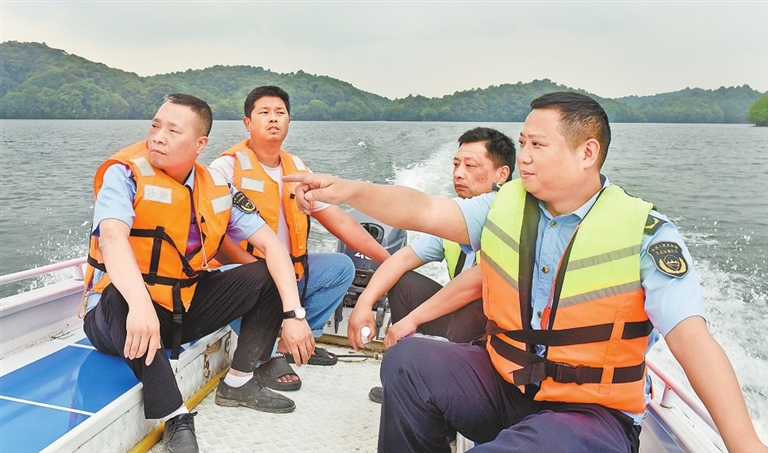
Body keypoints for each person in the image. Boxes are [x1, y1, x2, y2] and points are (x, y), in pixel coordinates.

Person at [284, 92, 768, 453]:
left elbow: (692, 339)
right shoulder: (503, 207)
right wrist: (347, 189)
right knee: (408, 361)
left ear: (587, 153)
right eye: (522, 143)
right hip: (508, 383)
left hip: (591, 413)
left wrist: (745, 445)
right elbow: (426, 210)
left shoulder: (646, 234)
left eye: (538, 144)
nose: (525, 157)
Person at [82, 94, 315, 453]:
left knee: (267, 273)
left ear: (200, 144)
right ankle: (176, 416)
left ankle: (239, 382)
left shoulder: (218, 188)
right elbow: (113, 238)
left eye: (173, 131)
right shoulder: (125, 174)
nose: (158, 137)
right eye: (155, 126)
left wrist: (293, 315)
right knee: (119, 297)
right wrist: (141, 306)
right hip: (119, 315)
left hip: (178, 309)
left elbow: (273, 247)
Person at [209, 85, 390, 391]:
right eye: (264, 112)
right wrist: (262, 272)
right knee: (258, 281)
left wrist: (391, 263)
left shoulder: (297, 169)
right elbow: (211, 236)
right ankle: (265, 356)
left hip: (287, 269)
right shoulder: (226, 168)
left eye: (280, 113)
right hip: (242, 272)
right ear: (247, 123)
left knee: (341, 268)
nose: (273, 118)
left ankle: (294, 345)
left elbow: (340, 221)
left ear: (289, 121)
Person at [351, 127, 515, 404]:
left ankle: (452, 394)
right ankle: (403, 378)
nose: (458, 173)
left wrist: (412, 320)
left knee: (474, 306)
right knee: (403, 281)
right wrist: (364, 303)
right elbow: (402, 258)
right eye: (456, 164)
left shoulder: (513, 216)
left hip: (495, 331)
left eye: (470, 166)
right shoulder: (456, 219)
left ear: (502, 174)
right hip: (457, 323)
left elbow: (477, 285)